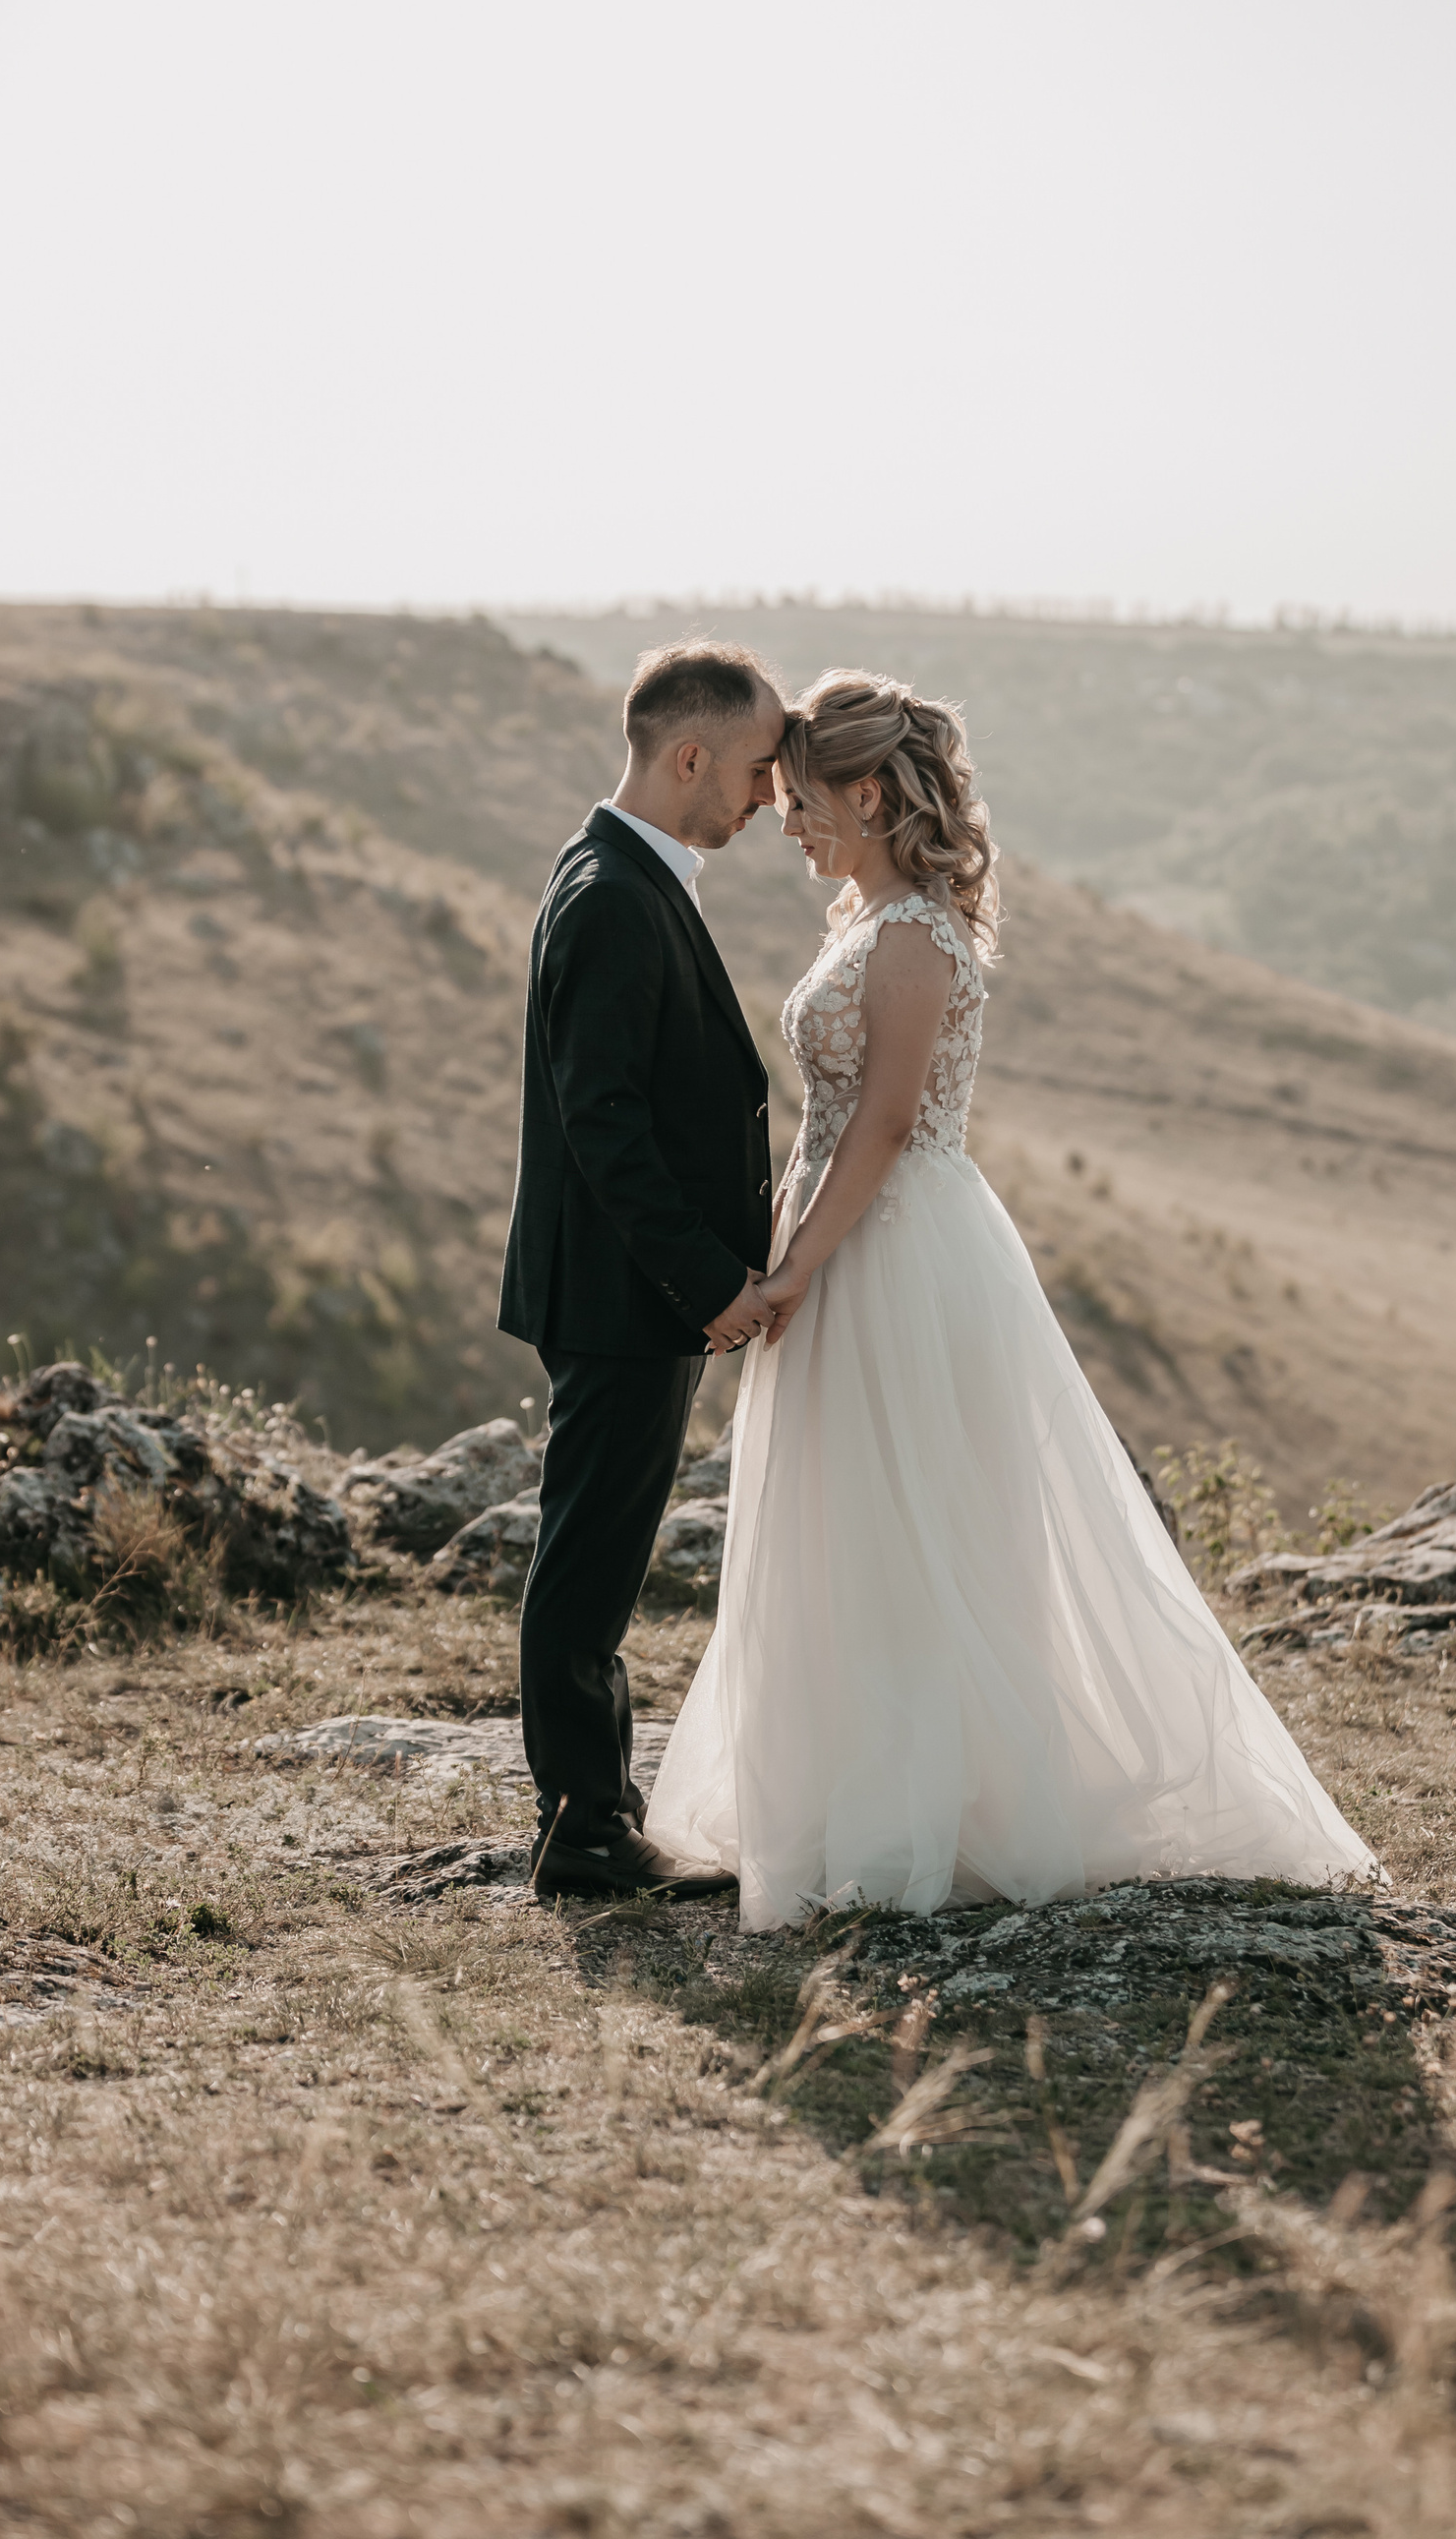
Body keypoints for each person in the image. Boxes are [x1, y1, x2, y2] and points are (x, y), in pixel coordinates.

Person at [645, 670, 1376, 1926]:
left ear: (872, 797)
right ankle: (845, 1793)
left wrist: (797, 1269)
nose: (786, 821)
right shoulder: (868, 920)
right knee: (846, 1521)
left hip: (891, 1253)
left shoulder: (915, 938)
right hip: (842, 1233)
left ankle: (935, 1807)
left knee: (913, 1520)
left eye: (806, 799)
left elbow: (884, 1125)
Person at [498, 637, 785, 1900]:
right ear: (692, 756)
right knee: (590, 1557)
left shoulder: (626, 873)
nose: (770, 794)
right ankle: (584, 1832)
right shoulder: (612, 894)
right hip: (624, 1295)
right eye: (759, 767)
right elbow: (604, 1124)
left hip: (630, 1290)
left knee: (603, 1551)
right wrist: (709, 1283)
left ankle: (601, 1810)